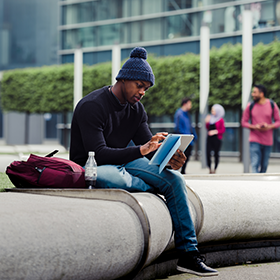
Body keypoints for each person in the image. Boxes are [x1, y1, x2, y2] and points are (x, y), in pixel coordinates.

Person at [70, 47, 218, 277]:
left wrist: (169, 160)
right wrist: (140, 150)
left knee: (174, 180)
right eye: (139, 85)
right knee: (109, 176)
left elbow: (148, 152)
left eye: (146, 88)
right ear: (123, 79)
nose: (142, 92)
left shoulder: (137, 110)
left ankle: (189, 254)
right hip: (92, 166)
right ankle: (154, 187)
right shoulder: (93, 105)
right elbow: (97, 153)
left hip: (125, 162)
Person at [241, 84, 280, 173]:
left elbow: (278, 121)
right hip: (254, 139)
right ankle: (255, 184)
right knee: (255, 164)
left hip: (268, 140)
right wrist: (254, 127)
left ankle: (261, 185)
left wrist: (268, 126)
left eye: (255, 92)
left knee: (264, 166)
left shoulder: (271, 105)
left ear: (261, 94)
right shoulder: (250, 106)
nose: (252, 94)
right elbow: (244, 122)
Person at [174, 97, 197, 174]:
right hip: (184, 139)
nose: (191, 106)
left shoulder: (188, 114)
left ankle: (183, 171)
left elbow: (190, 126)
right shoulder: (179, 114)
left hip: (190, 139)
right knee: (181, 156)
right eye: (189, 104)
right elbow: (178, 128)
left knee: (187, 156)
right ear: (185, 104)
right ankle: (178, 171)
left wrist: (194, 136)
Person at [205, 104, 226, 174]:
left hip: (217, 138)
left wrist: (215, 132)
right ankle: (209, 167)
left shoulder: (220, 120)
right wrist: (207, 122)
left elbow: (223, 130)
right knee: (208, 152)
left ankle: (215, 168)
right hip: (209, 138)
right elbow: (207, 127)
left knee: (216, 153)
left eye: (213, 110)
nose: (212, 112)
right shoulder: (210, 118)